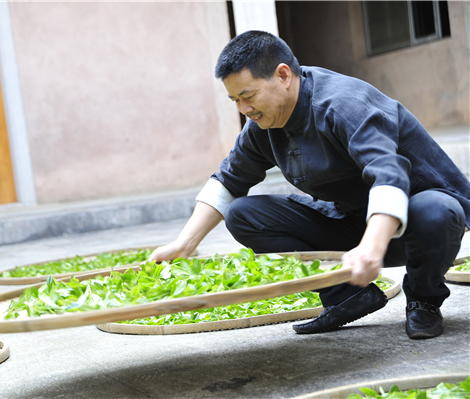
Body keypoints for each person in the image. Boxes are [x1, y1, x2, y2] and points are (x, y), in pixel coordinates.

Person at [150, 30, 470, 339]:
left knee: (436, 210)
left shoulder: (344, 104)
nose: (243, 110)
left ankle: (423, 299)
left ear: (283, 75)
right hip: (351, 223)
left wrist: (372, 246)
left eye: (248, 96)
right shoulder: (263, 125)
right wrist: (184, 244)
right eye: (235, 99)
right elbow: (228, 180)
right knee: (242, 213)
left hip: (415, 227)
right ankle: (347, 296)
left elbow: (387, 173)